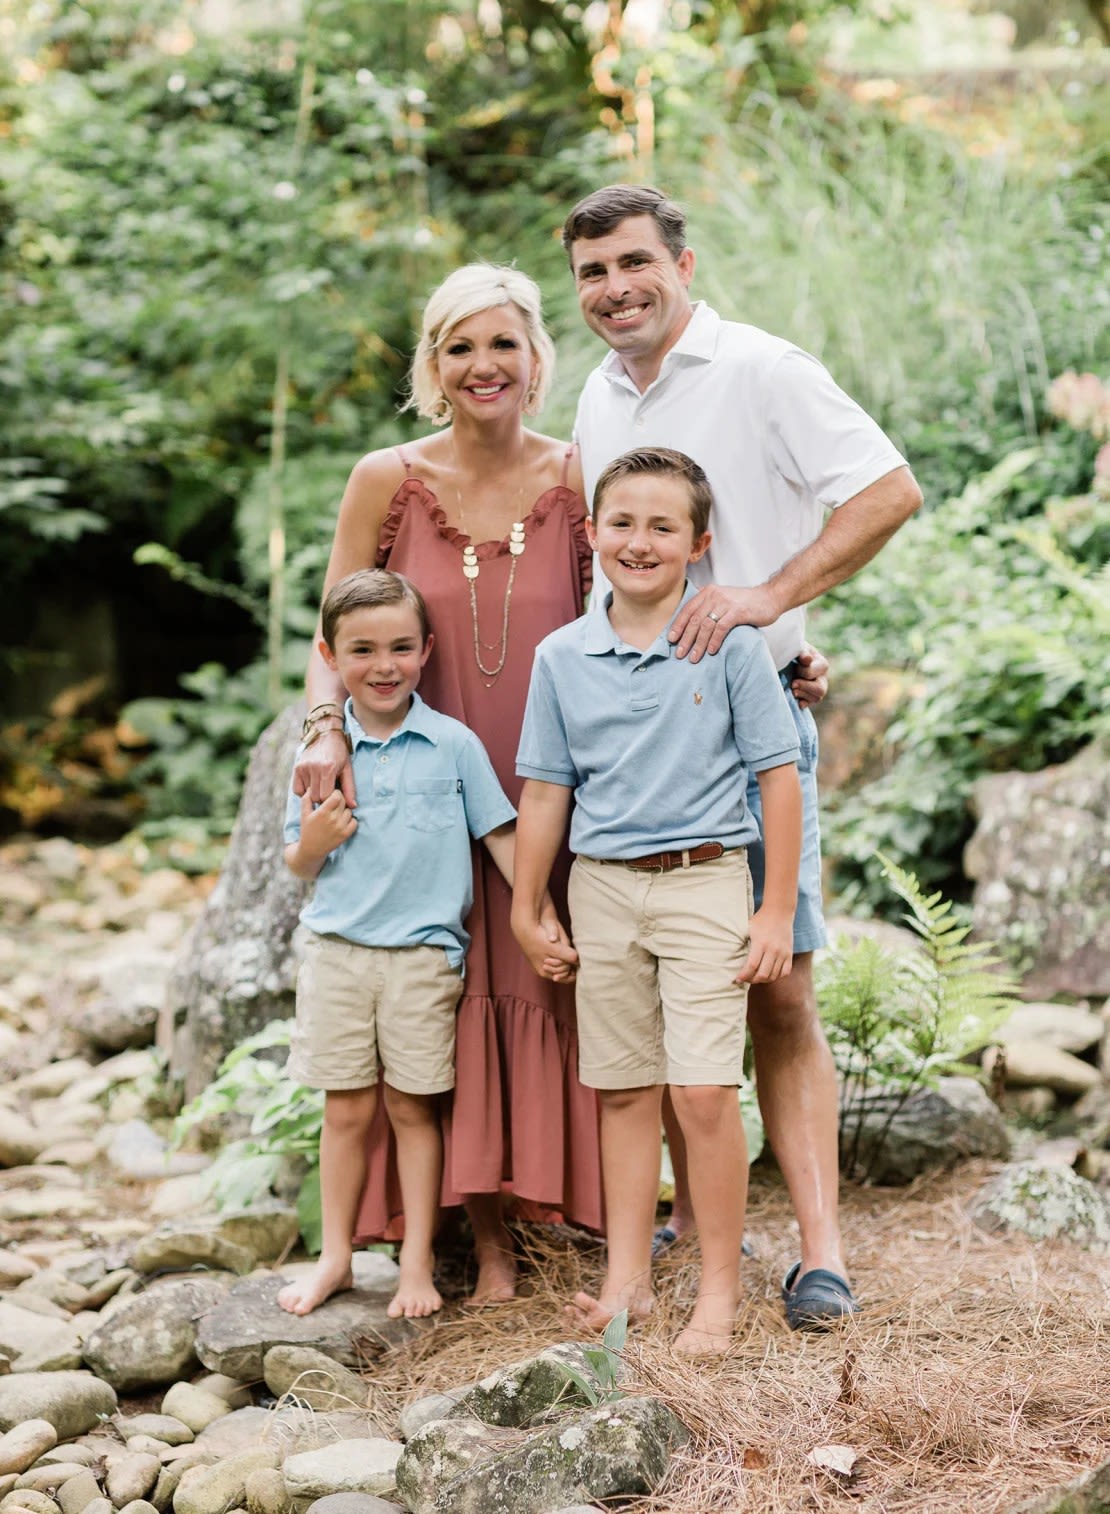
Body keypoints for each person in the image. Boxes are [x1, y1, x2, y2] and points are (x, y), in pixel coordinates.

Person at [563, 184, 924, 1328]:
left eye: (633, 263)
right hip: (632, 752)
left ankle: (819, 1250)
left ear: (682, 261)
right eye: (591, 273)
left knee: (779, 990)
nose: (614, 288)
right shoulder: (595, 394)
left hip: (751, 728)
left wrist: (773, 604)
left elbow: (888, 491)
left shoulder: (765, 368)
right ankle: (692, 1221)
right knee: (671, 1007)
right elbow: (614, 560)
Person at [293, 265, 603, 1305]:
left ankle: (560, 1216)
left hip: (547, 780)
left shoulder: (580, 474)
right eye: (460, 347)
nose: (483, 366)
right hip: (410, 789)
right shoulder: (385, 477)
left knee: (538, 969)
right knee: (447, 990)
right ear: (433, 364)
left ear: (536, 357)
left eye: (503, 344)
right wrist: (322, 729)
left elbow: (637, 608)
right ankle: (483, 1241)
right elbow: (330, 629)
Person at [512, 447, 802, 1354]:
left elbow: (778, 777)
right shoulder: (562, 656)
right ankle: (627, 1285)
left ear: (698, 544)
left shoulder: (729, 644)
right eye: (623, 523)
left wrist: (776, 909)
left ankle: (719, 1291)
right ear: (592, 533)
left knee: (706, 1090)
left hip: (706, 882)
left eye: (663, 526)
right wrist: (530, 904)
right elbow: (548, 789)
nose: (640, 541)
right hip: (601, 889)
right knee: (625, 1090)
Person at [278, 569, 533, 1318]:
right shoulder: (321, 759)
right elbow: (297, 861)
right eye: (361, 650)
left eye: (398, 647)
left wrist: (538, 913)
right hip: (337, 954)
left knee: (414, 1110)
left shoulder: (454, 745)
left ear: (426, 650)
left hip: (424, 959)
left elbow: (501, 836)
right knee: (346, 1111)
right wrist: (315, 842)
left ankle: (417, 1262)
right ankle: (336, 1258)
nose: (382, 665)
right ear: (332, 655)